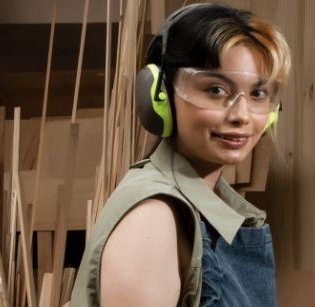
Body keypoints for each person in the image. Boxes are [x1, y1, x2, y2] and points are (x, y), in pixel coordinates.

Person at [70, 3, 290, 306]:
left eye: (258, 94)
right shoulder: (153, 219)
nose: (242, 115)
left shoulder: (203, 208)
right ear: (159, 97)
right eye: (215, 90)